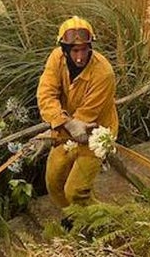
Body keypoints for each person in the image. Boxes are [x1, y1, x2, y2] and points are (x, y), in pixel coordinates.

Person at [37, 15, 119, 209]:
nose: (80, 57)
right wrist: (63, 122)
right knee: (53, 181)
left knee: (76, 191)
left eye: (84, 49)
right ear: (64, 50)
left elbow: (85, 119)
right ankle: (74, 219)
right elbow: (45, 94)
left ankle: (108, 221)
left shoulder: (104, 73)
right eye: (74, 51)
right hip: (66, 127)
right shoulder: (56, 58)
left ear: (91, 47)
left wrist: (54, 132)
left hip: (95, 132)